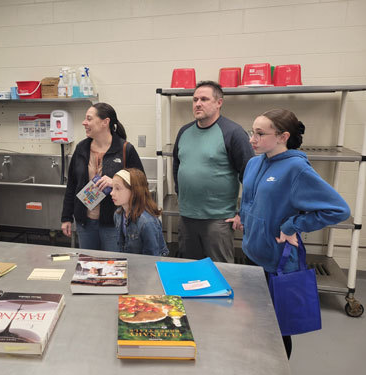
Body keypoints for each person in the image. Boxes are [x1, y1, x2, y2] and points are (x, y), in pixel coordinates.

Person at [240, 108, 350, 358]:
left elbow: (339, 210)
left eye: (259, 133)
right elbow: (249, 199)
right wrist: (243, 216)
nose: (252, 139)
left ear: (283, 136)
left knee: (278, 329)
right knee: (253, 321)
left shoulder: (296, 169)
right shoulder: (253, 163)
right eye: (251, 132)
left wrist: (293, 226)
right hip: (251, 254)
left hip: (277, 261)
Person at [172, 80, 254, 262]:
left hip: (218, 219)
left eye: (204, 99)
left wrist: (243, 212)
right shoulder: (184, 131)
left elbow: (250, 176)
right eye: (194, 100)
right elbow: (177, 165)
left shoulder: (233, 132)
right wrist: (181, 194)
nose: (197, 104)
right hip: (187, 217)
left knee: (221, 273)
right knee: (191, 272)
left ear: (219, 103)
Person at [61, 103, 144, 251]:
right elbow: (72, 185)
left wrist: (116, 183)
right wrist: (66, 217)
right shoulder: (81, 149)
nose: (84, 122)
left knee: (112, 268)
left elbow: (141, 184)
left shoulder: (125, 149)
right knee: (88, 266)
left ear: (105, 122)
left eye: (89, 119)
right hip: (85, 224)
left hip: (114, 224)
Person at [112, 168, 169, 256]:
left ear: (134, 191)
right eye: (112, 188)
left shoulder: (146, 222)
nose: (112, 193)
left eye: (117, 189)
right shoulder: (118, 214)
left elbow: (152, 256)